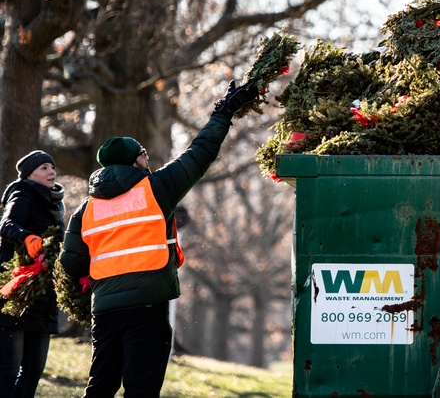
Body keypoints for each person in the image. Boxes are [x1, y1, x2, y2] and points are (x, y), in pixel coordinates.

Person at [60, 78, 257, 398]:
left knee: (100, 387)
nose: (148, 159)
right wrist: (224, 110)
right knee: (142, 388)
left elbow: (71, 263)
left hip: (105, 312)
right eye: (144, 154)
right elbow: (200, 152)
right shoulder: (155, 189)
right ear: (135, 160)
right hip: (146, 307)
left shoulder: (86, 209)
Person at [0, 150, 66, 398]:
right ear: (29, 174)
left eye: (52, 167)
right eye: (44, 168)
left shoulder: (55, 203)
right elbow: (6, 225)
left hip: (43, 293)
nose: (51, 172)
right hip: (17, 291)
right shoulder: (23, 193)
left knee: (33, 370)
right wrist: (26, 237)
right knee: (8, 369)